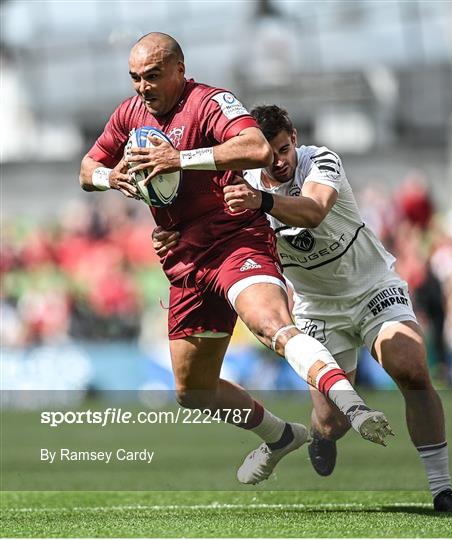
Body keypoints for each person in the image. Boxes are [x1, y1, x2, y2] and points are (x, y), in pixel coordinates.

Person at [79, 33, 392, 485]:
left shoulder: (210, 102)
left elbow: (256, 148)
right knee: (194, 391)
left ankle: (354, 405)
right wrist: (114, 177)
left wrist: (179, 159)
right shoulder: (128, 115)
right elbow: (87, 170)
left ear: (179, 71)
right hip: (185, 259)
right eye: (134, 78)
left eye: (152, 76)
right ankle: (281, 435)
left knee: (272, 327)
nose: (142, 87)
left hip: (234, 241)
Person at [153, 104, 452, 511]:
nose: (281, 161)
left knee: (410, 367)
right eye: (270, 155)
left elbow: (313, 211)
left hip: (372, 287)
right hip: (317, 307)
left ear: (295, 140)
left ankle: (442, 489)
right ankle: (319, 437)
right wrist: (167, 236)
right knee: (331, 422)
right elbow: (203, 228)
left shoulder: (319, 161)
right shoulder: (237, 183)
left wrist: (260, 202)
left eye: (285, 149)